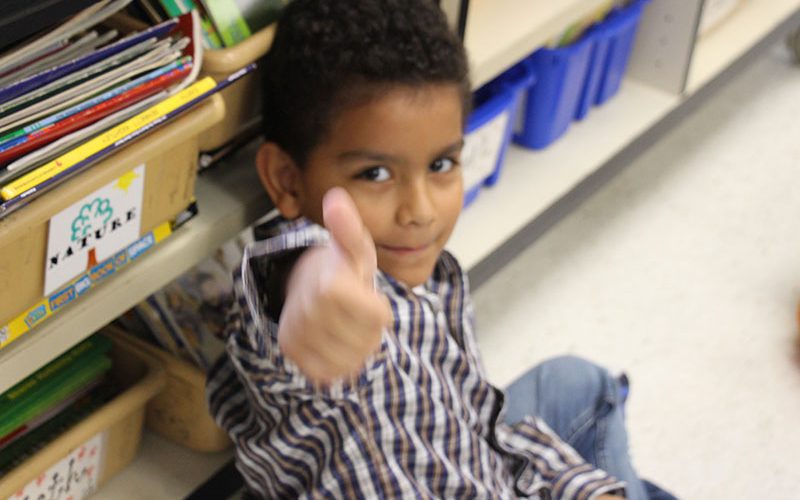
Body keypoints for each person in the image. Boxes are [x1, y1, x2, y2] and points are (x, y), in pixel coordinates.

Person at [206, 1, 674, 498]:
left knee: (580, 384)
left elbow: (478, 424)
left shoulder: (431, 282)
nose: (420, 210)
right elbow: (283, 287)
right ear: (286, 179)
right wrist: (307, 282)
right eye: (375, 174)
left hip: (478, 471)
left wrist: (582, 489)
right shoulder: (318, 301)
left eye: (442, 164)